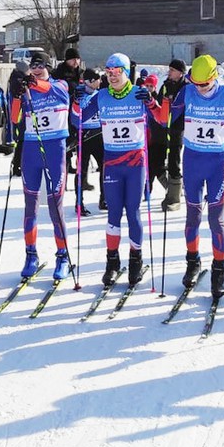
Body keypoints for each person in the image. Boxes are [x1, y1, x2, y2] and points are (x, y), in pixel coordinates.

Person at [77, 53, 158, 287]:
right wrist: (76, 101)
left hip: (135, 163)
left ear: (125, 71)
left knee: (132, 212)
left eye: (116, 71)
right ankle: (112, 263)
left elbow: (163, 120)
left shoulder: (138, 93)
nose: (111, 76)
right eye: (108, 72)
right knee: (113, 213)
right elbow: (78, 120)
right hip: (112, 162)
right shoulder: (101, 96)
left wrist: (151, 101)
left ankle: (135, 262)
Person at [165, 55, 224, 300]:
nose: (199, 88)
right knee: (192, 215)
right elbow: (167, 119)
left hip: (217, 162)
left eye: (204, 84)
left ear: (215, 77)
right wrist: (163, 100)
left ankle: (219, 269)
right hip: (193, 160)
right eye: (195, 83)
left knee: (216, 219)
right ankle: (192, 261)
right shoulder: (187, 92)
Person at [9, 51, 71, 283]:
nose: (35, 70)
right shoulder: (27, 90)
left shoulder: (59, 84)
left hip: (54, 149)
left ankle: (63, 256)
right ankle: (31, 255)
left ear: (48, 67)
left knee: (56, 206)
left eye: (40, 67)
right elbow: (15, 118)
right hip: (32, 150)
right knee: (30, 206)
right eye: (32, 67)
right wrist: (16, 94)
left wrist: (34, 82)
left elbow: (57, 92)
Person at [156, 59, 187, 212]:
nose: (170, 73)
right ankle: (171, 188)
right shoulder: (166, 85)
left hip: (178, 127)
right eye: (169, 69)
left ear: (180, 72)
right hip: (163, 127)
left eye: (173, 70)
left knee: (174, 160)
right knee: (158, 161)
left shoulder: (186, 87)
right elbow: (158, 104)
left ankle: (174, 197)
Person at [75, 69, 105, 215]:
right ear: (91, 81)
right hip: (85, 135)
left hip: (99, 135)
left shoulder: (99, 94)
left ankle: (104, 199)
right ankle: (79, 202)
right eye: (98, 79)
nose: (100, 82)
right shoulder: (80, 94)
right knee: (81, 170)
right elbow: (75, 116)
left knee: (104, 167)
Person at [53, 47, 84, 179]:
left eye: (77, 59)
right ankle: (65, 164)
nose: (75, 62)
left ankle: (79, 169)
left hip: (80, 109)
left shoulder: (81, 73)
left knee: (78, 138)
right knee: (67, 138)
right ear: (67, 60)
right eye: (73, 59)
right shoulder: (59, 73)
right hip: (65, 110)